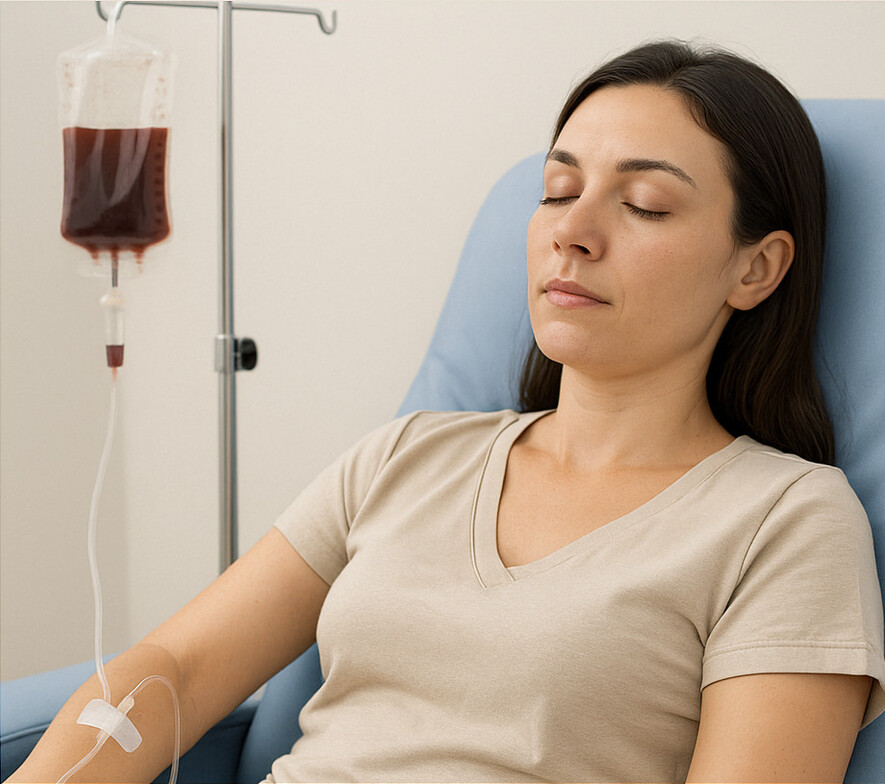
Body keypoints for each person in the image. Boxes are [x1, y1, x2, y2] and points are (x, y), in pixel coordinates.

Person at [8, 39, 885, 784]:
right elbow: (179, 668)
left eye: (643, 203)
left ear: (755, 269)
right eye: (554, 190)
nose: (570, 231)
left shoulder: (783, 522)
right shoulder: (407, 458)